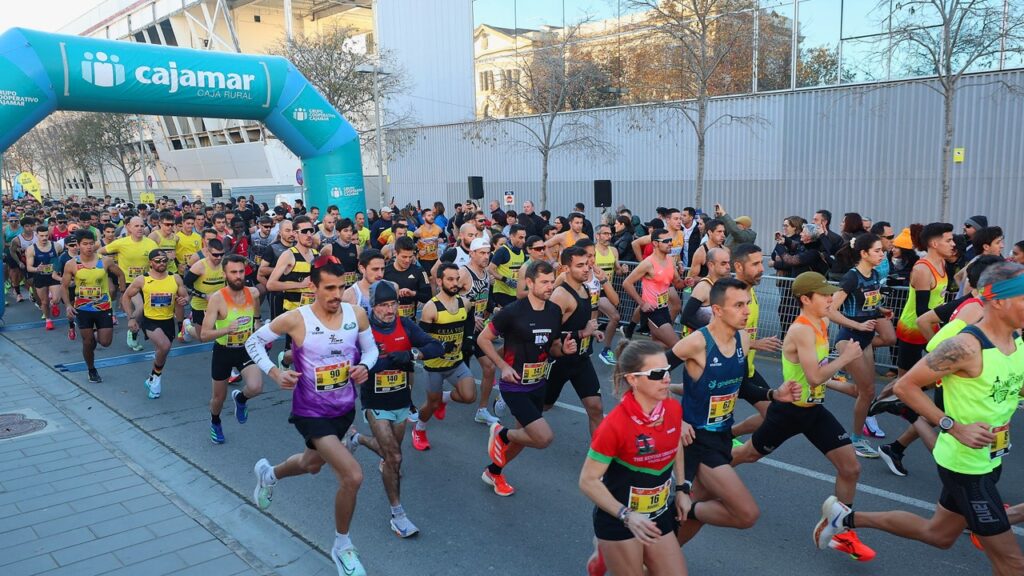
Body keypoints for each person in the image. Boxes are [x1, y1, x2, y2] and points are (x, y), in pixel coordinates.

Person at [827, 262, 1024, 575]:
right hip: (965, 466)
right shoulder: (966, 346)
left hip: (991, 459)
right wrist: (952, 426)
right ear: (999, 300)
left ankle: (845, 519)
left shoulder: (1016, 342)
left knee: (938, 534)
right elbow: (905, 385)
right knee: (1013, 564)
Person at [246, 257, 378, 576]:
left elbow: (372, 350)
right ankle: (342, 546)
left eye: (340, 287)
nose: (336, 293)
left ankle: (269, 474)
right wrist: (275, 372)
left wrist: (365, 366)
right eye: (329, 288)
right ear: (313, 287)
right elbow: (255, 342)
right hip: (310, 409)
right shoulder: (296, 319)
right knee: (353, 475)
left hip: (344, 408)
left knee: (311, 464)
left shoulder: (356, 314)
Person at [732, 272, 875, 562]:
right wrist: (846, 359)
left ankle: (841, 530)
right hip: (790, 411)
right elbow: (813, 376)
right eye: (824, 295)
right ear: (805, 299)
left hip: (813, 411)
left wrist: (841, 386)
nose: (831, 299)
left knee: (851, 468)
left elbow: (818, 370)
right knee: (748, 455)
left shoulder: (821, 323)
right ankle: (705, 470)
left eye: (830, 294)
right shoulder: (801, 330)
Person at [667, 278, 800, 546]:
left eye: (747, 304)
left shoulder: (743, 338)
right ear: (717, 310)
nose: (747, 311)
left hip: (723, 437)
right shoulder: (696, 343)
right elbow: (651, 377)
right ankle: (671, 515)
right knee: (745, 513)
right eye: (738, 305)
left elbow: (741, 385)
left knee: (696, 512)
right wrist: (675, 419)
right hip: (698, 442)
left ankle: (658, 559)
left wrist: (774, 394)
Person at [579, 340, 688, 576]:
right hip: (620, 520)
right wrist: (626, 516)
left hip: (659, 513)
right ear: (633, 379)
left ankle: (604, 555)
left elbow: (676, 442)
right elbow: (587, 481)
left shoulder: (672, 408)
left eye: (667, 371)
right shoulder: (615, 425)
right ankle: (605, 552)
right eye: (657, 374)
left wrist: (682, 488)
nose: (666, 379)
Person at [348, 280, 443, 538]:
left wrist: (413, 354)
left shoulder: (406, 325)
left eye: (393, 305)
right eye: (383, 306)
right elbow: (354, 367)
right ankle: (398, 515)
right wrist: (387, 360)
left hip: (401, 401)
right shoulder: (361, 330)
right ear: (372, 307)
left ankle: (357, 438)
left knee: (390, 453)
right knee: (395, 458)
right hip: (375, 404)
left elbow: (437, 346)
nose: (390, 310)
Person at [478, 260, 576, 496]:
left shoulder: (554, 311)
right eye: (544, 282)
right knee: (542, 438)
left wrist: (563, 349)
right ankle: (500, 433)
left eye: (552, 281)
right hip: (514, 385)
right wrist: (502, 366)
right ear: (529, 283)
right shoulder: (513, 311)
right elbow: (483, 339)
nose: (549, 286)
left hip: (538, 382)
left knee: (525, 437)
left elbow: (551, 346)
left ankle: (494, 472)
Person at [872, 222, 956, 476]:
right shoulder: (922, 269)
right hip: (913, 330)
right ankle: (873, 409)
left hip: (931, 331)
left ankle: (884, 406)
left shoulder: (942, 264)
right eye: (949, 239)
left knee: (913, 383)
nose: (953, 244)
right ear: (934, 243)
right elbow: (921, 312)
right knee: (904, 382)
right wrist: (939, 341)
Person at [823, 234, 897, 458]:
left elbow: (869, 301)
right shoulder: (851, 278)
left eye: (882, 250)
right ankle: (855, 439)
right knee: (867, 391)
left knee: (863, 391)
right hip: (850, 338)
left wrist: (880, 310)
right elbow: (830, 310)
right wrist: (858, 323)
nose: (881, 254)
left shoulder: (874, 274)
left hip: (864, 338)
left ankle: (824, 380)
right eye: (877, 251)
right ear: (863, 254)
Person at [411, 262, 477, 450]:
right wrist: (440, 346)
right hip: (435, 366)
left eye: (457, 279)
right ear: (439, 281)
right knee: (430, 405)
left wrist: (469, 338)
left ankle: (443, 399)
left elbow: (469, 320)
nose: (455, 283)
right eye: (450, 279)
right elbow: (420, 339)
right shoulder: (431, 308)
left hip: (456, 362)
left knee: (469, 396)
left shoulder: (464, 302)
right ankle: (420, 429)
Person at [200, 255, 263, 444]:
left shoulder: (253, 293)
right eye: (233, 272)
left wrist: (258, 323)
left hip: (245, 348)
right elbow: (204, 334)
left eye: (241, 272)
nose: (238, 276)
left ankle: (241, 399)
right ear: (225, 274)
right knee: (218, 399)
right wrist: (226, 329)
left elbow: (256, 311)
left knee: (256, 387)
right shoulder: (218, 299)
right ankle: (215, 422)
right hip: (223, 351)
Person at [543, 247, 605, 434]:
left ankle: (599, 459)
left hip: (581, 359)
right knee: (542, 407)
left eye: (587, 264)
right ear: (566, 268)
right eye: (580, 265)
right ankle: (509, 433)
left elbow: (578, 320)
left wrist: (592, 332)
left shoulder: (585, 288)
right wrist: (581, 333)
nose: (586, 269)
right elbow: (547, 334)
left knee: (596, 408)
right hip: (559, 361)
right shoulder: (560, 296)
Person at [121, 250, 188, 399]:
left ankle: (152, 376)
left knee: (161, 351)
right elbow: (126, 296)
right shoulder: (142, 280)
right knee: (164, 346)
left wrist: (185, 300)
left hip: (168, 320)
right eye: (157, 261)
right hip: (150, 320)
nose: (161, 263)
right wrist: (131, 318)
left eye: (164, 260)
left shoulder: (175, 278)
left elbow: (184, 295)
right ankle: (157, 379)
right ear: (150, 262)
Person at [61, 229, 114, 383]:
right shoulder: (71, 264)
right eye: (85, 244)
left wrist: (118, 291)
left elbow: (119, 274)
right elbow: (64, 287)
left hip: (103, 306)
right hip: (83, 308)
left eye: (91, 244)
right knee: (87, 342)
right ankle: (91, 370)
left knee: (106, 342)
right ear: (78, 245)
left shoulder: (104, 261)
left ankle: (95, 335)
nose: (89, 247)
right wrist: (68, 306)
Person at [458, 237, 500, 425]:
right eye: (481, 253)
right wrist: (470, 316)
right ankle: (439, 398)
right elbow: (447, 299)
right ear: (471, 253)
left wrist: (491, 313)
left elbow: (484, 300)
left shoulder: (485, 274)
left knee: (489, 367)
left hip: (479, 331)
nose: (486, 256)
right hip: (461, 330)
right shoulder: (463, 273)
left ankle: (482, 410)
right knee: (454, 375)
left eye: (488, 252)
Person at [101, 216, 159, 350]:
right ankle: (132, 328)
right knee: (140, 307)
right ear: (128, 227)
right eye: (136, 226)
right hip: (128, 282)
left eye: (141, 225)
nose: (140, 228)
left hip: (146, 281)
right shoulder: (121, 243)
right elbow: (99, 252)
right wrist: (108, 264)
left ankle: (134, 328)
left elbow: (157, 260)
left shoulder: (151, 243)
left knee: (145, 311)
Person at [622, 229, 681, 348]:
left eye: (670, 240)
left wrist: (686, 282)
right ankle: (638, 351)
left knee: (659, 347)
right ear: (655, 243)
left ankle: (638, 352)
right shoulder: (647, 263)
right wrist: (642, 303)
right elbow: (626, 283)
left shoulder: (670, 259)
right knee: (677, 346)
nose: (670, 243)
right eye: (666, 241)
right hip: (652, 312)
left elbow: (678, 283)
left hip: (664, 308)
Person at [182, 239, 226, 342]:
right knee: (202, 338)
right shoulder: (200, 266)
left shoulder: (225, 264)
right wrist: (204, 296)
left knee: (220, 331)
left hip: (219, 303)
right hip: (201, 305)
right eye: (215, 255)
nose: (219, 258)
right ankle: (188, 327)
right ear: (208, 252)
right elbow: (186, 285)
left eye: (221, 254)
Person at [593, 224, 624, 365]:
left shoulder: (613, 250)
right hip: (593, 290)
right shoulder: (592, 251)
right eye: (604, 234)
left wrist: (622, 269)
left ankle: (604, 350)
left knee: (594, 322)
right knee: (614, 317)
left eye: (609, 234)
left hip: (607, 289)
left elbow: (617, 269)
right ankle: (603, 350)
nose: (608, 236)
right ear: (597, 236)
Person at [679, 247, 730, 333]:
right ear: (711, 265)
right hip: (697, 342)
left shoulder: (722, 284)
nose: (728, 267)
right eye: (723, 263)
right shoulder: (703, 287)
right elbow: (685, 318)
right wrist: (712, 332)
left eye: (728, 263)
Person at [25, 224, 63, 330]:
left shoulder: (56, 246)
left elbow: (61, 258)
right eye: (41, 236)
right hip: (40, 277)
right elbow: (29, 267)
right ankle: (48, 320)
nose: (44, 238)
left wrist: (58, 267)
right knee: (44, 302)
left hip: (53, 276)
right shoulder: (31, 249)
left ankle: (54, 303)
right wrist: (38, 269)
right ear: (36, 235)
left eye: (46, 235)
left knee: (56, 298)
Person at [488, 224, 526, 310]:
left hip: (515, 292)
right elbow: (490, 269)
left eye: (524, 237)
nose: (523, 241)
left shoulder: (521, 252)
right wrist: (506, 280)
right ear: (511, 236)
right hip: (502, 293)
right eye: (520, 237)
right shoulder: (502, 251)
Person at [342, 249, 386, 318]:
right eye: (375, 269)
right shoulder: (349, 296)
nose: (380, 274)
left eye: (382, 269)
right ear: (362, 268)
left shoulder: (392, 287)